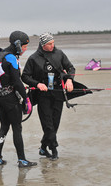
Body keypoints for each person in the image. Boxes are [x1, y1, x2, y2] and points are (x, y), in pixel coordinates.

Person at [21, 32, 75, 160]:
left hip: (58, 93)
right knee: (48, 124)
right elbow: (25, 76)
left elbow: (71, 68)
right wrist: (37, 84)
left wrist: (69, 80)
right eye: (49, 44)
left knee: (55, 123)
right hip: (42, 95)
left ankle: (43, 147)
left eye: (53, 43)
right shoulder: (34, 58)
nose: (52, 45)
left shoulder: (59, 54)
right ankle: (54, 149)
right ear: (43, 45)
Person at [0, 30, 37, 168]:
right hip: (10, 99)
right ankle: (22, 160)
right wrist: (26, 99)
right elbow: (17, 82)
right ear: (17, 45)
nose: (25, 49)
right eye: (24, 46)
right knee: (17, 128)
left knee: (4, 126)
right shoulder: (11, 58)